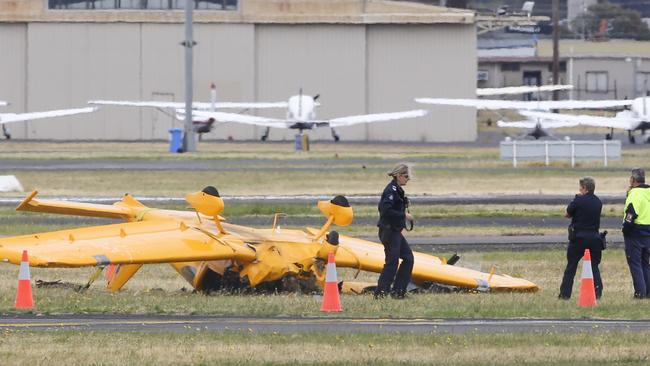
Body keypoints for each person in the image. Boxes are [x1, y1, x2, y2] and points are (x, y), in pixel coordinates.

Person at [559, 176, 603, 299]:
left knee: (571, 266)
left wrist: (575, 200)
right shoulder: (598, 202)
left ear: (584, 188)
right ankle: (597, 293)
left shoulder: (578, 201)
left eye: (580, 188)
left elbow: (568, 214)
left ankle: (565, 294)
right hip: (594, 237)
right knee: (594, 266)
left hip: (579, 237)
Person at [374, 163, 414, 299]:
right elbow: (385, 211)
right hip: (389, 231)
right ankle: (381, 293)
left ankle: (398, 292)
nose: (408, 179)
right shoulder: (390, 190)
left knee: (408, 258)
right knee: (392, 262)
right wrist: (404, 215)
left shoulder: (397, 189)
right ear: (398, 175)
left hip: (395, 231)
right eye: (406, 176)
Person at [623, 168, 650, 299]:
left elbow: (630, 214)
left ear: (633, 180)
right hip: (648, 233)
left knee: (635, 264)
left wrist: (626, 229)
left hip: (636, 233)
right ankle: (648, 292)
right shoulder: (648, 192)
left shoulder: (634, 194)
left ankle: (640, 293)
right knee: (646, 263)